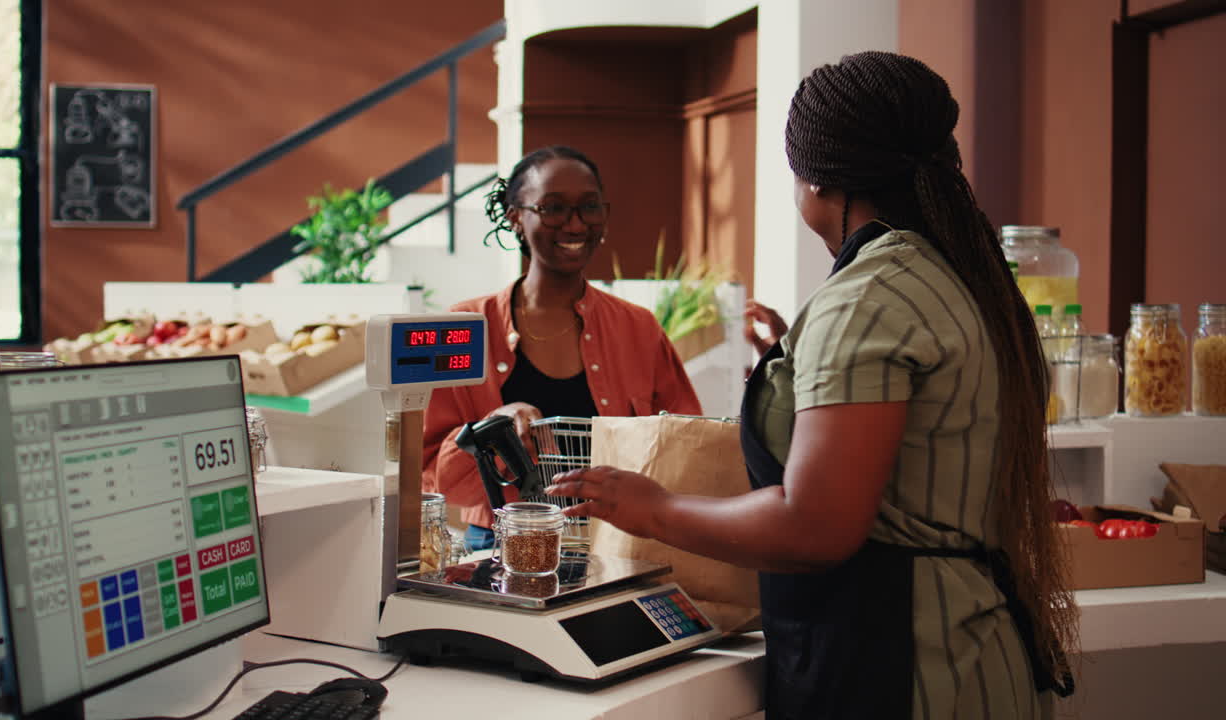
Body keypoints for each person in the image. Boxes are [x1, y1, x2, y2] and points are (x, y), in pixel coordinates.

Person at [548, 52, 1077, 719]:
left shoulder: (868, 297)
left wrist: (654, 509)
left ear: (817, 178)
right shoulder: (960, 276)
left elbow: (815, 526)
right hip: (979, 659)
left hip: (905, 672)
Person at [422, 145, 702, 550]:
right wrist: (491, 430)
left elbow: (685, 449)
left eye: (589, 207)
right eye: (553, 208)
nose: (575, 224)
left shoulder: (639, 328)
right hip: (501, 545)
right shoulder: (465, 327)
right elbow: (434, 478)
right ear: (515, 217)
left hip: (619, 545)